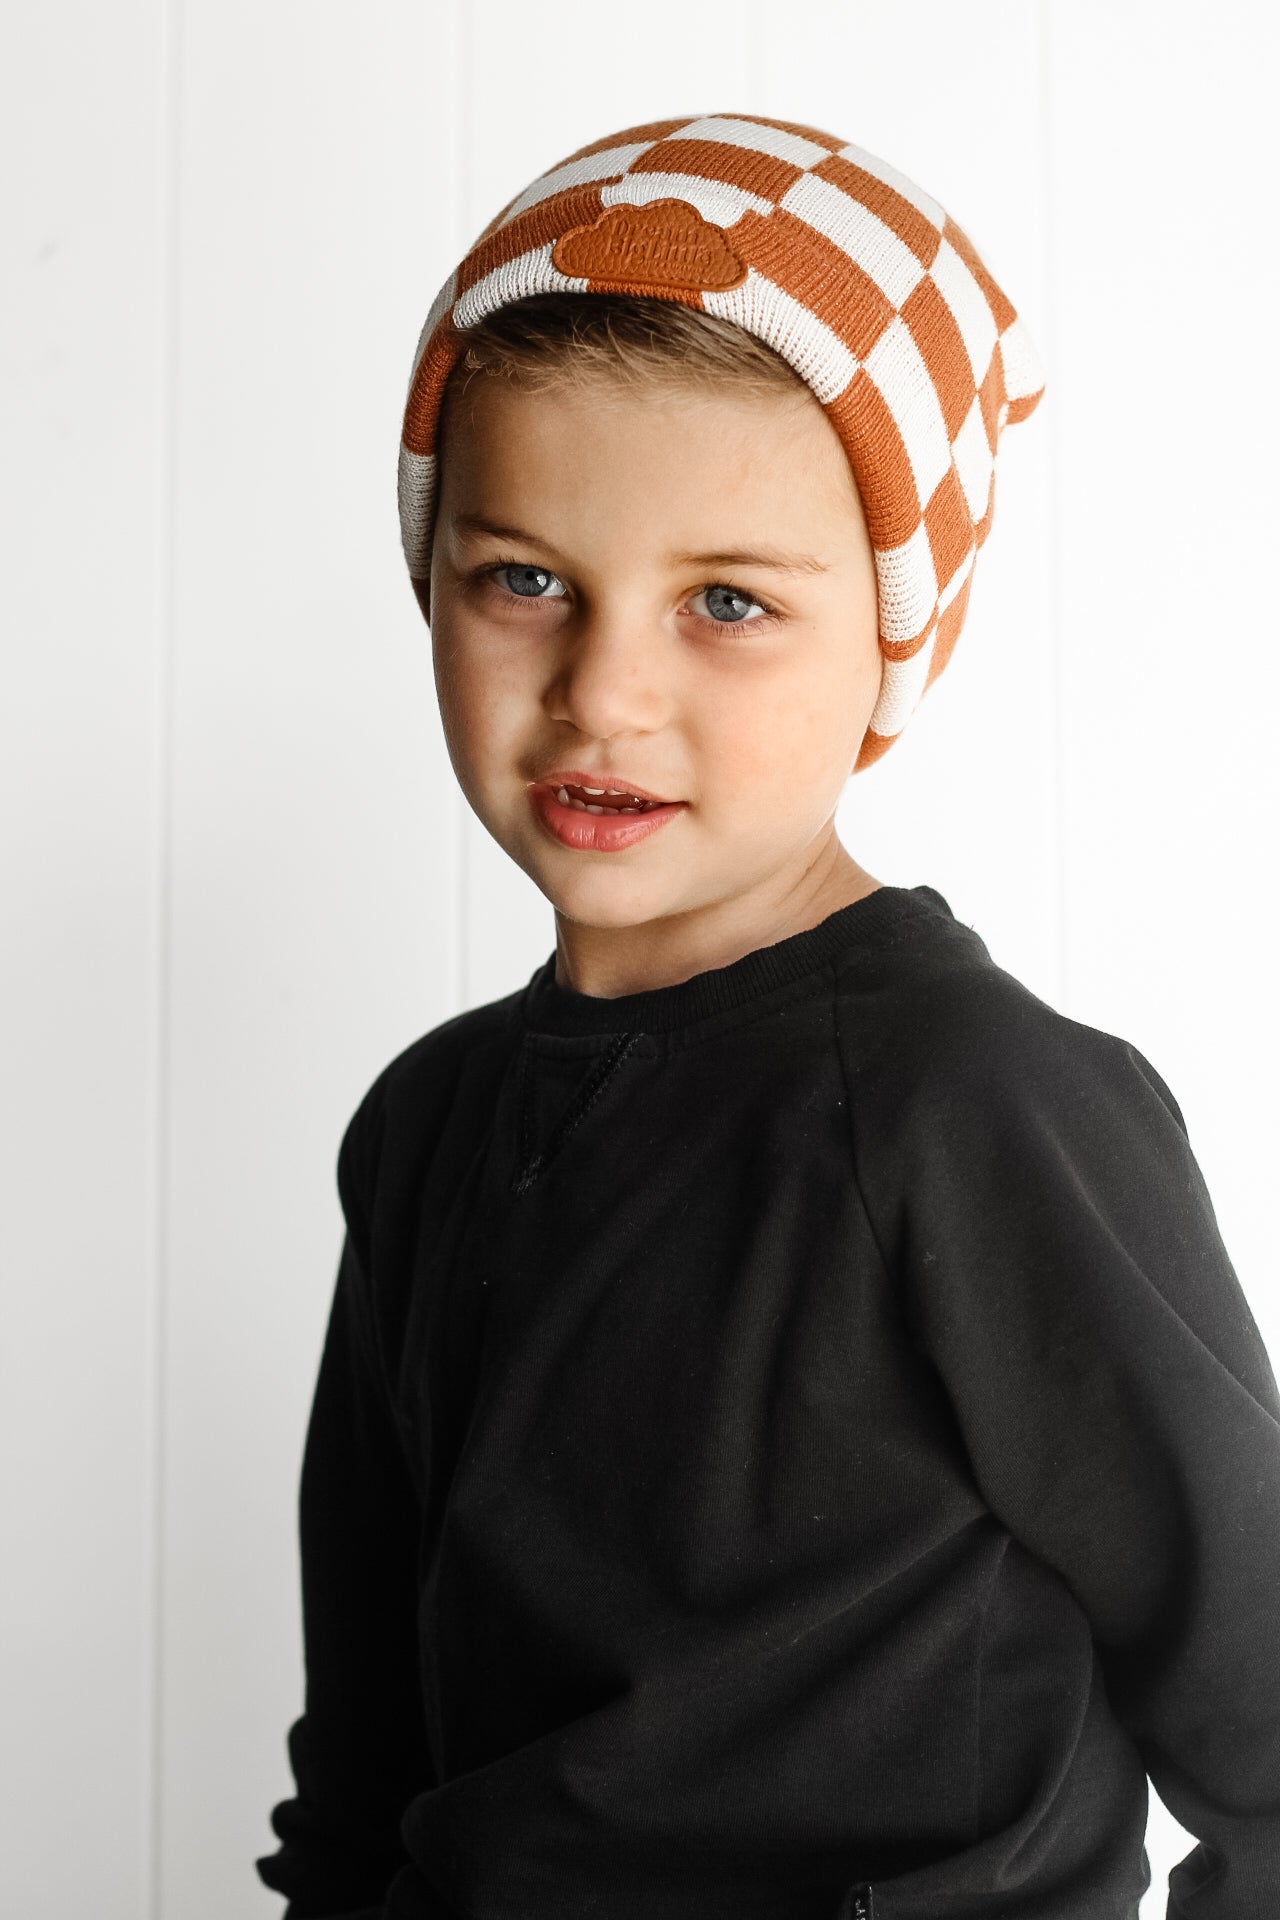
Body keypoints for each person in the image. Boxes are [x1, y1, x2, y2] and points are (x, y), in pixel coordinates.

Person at [255, 113, 1280, 1920]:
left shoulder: (982, 1106)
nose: (604, 693)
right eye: (524, 579)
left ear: (894, 639)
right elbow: (367, 1773)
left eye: (726, 602)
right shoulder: (424, 1127)